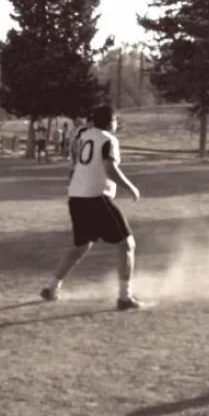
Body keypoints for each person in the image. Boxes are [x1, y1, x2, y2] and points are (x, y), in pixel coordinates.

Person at [40, 104, 141, 310]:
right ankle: (124, 297)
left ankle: (51, 287)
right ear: (109, 122)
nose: (116, 124)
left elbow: (77, 154)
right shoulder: (108, 139)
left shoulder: (85, 134)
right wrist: (131, 188)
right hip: (96, 198)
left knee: (81, 246)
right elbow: (109, 169)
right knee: (126, 244)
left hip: (76, 197)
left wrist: (76, 171)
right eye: (115, 120)